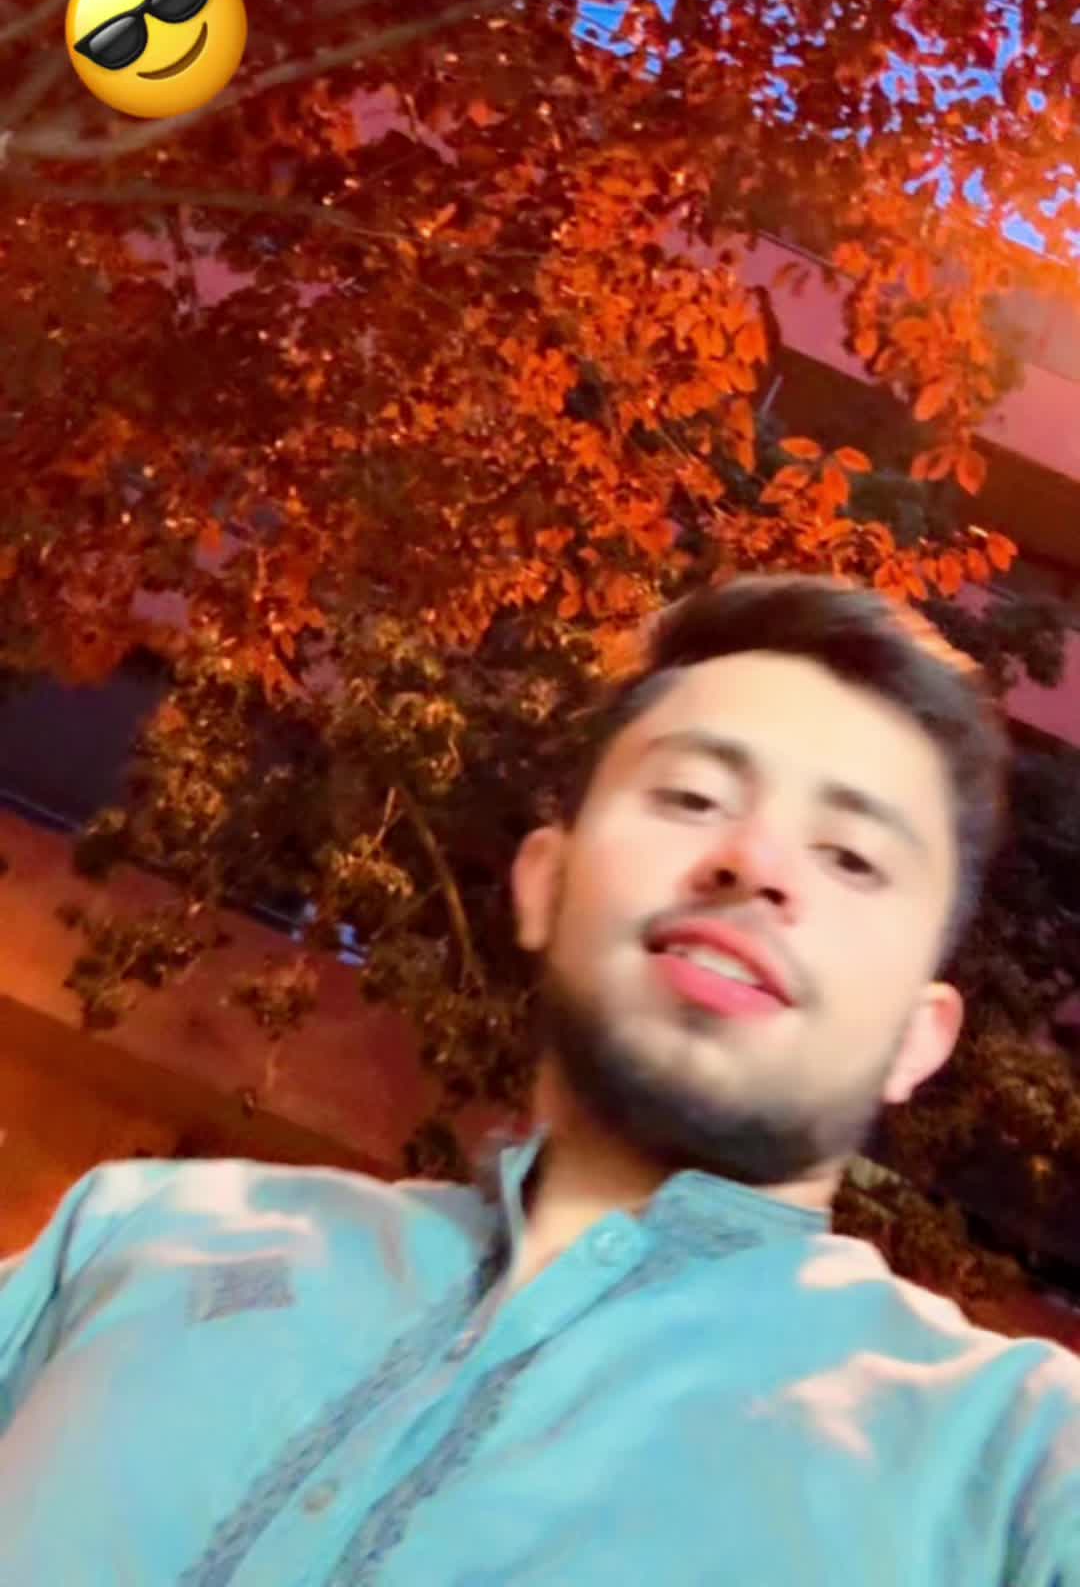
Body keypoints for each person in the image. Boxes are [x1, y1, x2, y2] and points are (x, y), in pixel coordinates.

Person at [1, 572, 1078, 1585]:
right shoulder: (136, 1235)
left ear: (919, 1038)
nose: (755, 864)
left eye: (852, 857)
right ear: (544, 885)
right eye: (694, 795)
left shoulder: (1024, 1464)